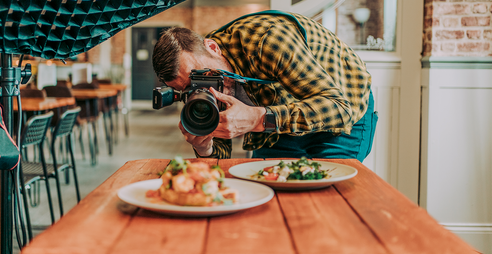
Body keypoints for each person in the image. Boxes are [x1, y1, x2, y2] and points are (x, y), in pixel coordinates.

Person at [151, 10, 377, 161]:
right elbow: (221, 162)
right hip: (279, 116)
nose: (202, 88)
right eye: (190, 89)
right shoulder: (208, 80)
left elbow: (339, 108)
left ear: (213, 47)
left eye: (202, 76)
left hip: (340, 107)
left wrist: (258, 118)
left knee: (331, 196)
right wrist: (204, 147)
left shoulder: (267, 40)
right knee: (267, 187)